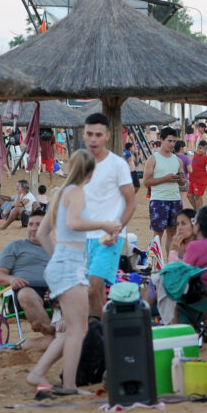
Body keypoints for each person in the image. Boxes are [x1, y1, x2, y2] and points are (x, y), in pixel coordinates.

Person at [28, 150, 122, 393]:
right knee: (78, 330)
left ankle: (39, 372)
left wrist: (59, 257)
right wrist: (103, 224)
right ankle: (68, 384)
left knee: (71, 328)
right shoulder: (77, 192)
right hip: (69, 267)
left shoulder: (60, 194)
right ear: (90, 172)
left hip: (62, 264)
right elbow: (73, 223)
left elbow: (42, 234)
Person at [79, 113, 135, 316]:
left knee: (93, 287)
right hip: (83, 237)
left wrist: (117, 229)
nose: (93, 139)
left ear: (107, 136)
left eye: (98, 134)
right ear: (83, 135)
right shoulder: (80, 163)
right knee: (94, 291)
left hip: (109, 238)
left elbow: (131, 202)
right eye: (89, 134)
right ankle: (102, 333)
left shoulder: (117, 164)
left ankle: (100, 333)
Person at [0, 209, 53, 348]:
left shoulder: (55, 249)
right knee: (27, 294)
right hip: (25, 291)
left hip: (52, 292)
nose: (33, 228)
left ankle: (38, 343)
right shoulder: (15, 247)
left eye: (38, 224)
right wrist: (11, 280)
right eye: (31, 224)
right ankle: (52, 336)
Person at [143, 127, 187, 250]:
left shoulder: (177, 160)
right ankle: (154, 263)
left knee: (172, 234)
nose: (172, 144)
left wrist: (181, 180)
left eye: (174, 141)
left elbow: (183, 183)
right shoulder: (153, 159)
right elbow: (146, 182)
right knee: (157, 235)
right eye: (169, 141)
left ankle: (169, 264)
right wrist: (165, 178)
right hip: (158, 200)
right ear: (161, 139)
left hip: (175, 199)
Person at [187, 140, 207, 210]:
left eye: (200, 148)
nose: (198, 149)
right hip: (192, 180)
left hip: (200, 182)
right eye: (198, 147)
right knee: (189, 195)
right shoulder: (196, 155)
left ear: (205, 149)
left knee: (198, 197)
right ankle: (199, 212)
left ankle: (198, 214)